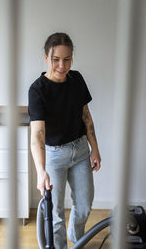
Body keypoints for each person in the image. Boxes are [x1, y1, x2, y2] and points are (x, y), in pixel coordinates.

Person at [28, 32, 101, 249]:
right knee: (55, 212)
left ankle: (76, 240)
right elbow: (37, 135)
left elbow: (86, 116)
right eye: (56, 59)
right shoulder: (37, 90)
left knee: (85, 204)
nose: (62, 65)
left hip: (79, 151)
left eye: (67, 59)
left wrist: (94, 149)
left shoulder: (77, 80)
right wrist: (41, 171)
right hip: (54, 155)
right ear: (46, 58)